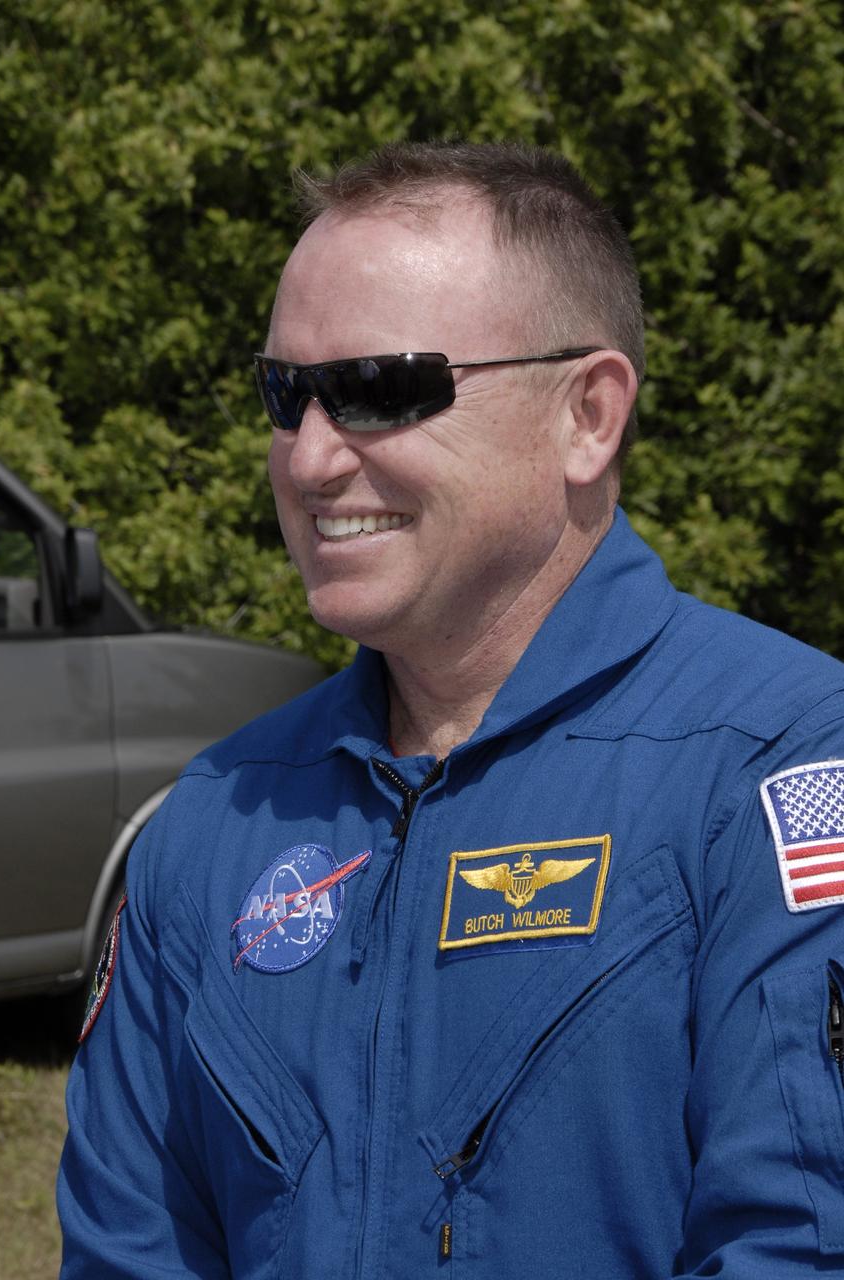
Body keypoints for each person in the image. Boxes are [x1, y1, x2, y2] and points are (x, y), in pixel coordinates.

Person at [58, 141, 844, 1278]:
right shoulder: (214, 823)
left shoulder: (775, 764)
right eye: (286, 393)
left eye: (382, 388)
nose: (313, 456)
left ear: (589, 412)